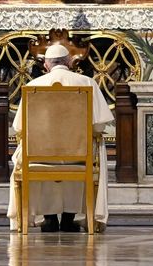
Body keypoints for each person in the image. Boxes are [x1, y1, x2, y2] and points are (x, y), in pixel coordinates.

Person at [7, 43, 114, 232]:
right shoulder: (87, 83)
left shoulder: (33, 86)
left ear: (46, 66)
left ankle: (47, 218)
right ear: (70, 62)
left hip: (39, 156)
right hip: (79, 156)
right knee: (93, 145)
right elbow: (99, 125)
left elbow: (18, 128)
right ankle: (71, 217)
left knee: (24, 152)